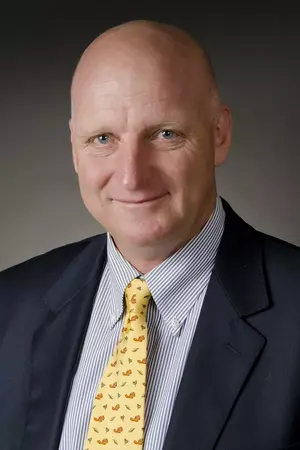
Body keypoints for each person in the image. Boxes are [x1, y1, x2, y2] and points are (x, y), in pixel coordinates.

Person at [1, 19, 300, 450]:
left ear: (219, 134)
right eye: (102, 138)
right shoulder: (8, 308)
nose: (131, 178)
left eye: (164, 134)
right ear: (73, 149)